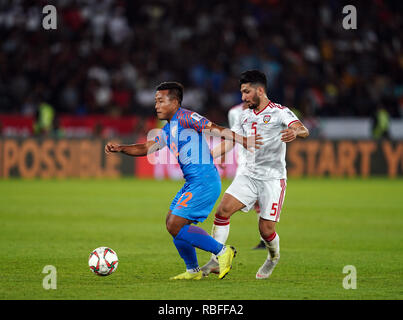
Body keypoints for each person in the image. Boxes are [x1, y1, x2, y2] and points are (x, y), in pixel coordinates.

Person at [105, 81, 261, 280]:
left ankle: (222, 252)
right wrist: (121, 148)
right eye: (156, 101)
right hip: (193, 182)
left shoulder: (187, 117)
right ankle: (193, 271)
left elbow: (215, 129)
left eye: (161, 101)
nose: (156, 106)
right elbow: (146, 148)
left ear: (175, 102)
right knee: (172, 223)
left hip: (204, 182)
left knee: (175, 224)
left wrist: (243, 140)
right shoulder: (168, 127)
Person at [201, 70, 309, 279]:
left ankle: (273, 258)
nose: (243, 98)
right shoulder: (244, 116)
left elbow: (303, 129)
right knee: (222, 211)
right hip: (248, 176)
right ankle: (216, 259)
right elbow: (232, 140)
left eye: (246, 92)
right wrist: (209, 156)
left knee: (265, 229)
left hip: (272, 179)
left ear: (260, 90)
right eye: (241, 93)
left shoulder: (280, 112)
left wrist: (295, 132)